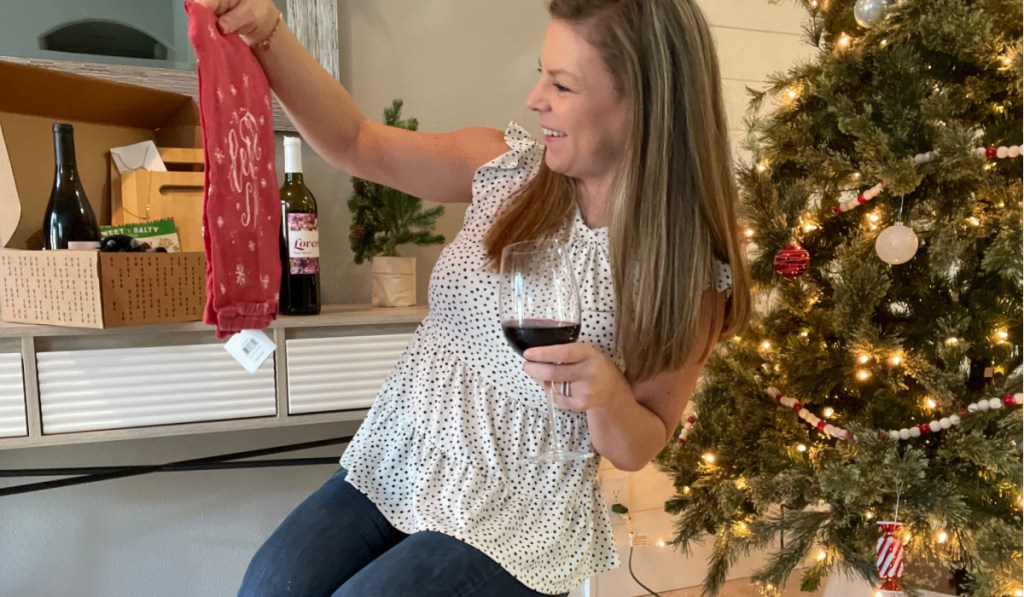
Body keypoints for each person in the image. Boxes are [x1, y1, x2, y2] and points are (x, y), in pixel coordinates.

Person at [194, 0, 751, 595]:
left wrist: (608, 396)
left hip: (522, 510)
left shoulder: (681, 267)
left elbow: (642, 443)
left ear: (646, 101)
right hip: (409, 452)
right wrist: (269, 31)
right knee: (269, 586)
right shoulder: (504, 172)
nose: (536, 98)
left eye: (561, 85)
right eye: (543, 73)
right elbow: (354, 140)